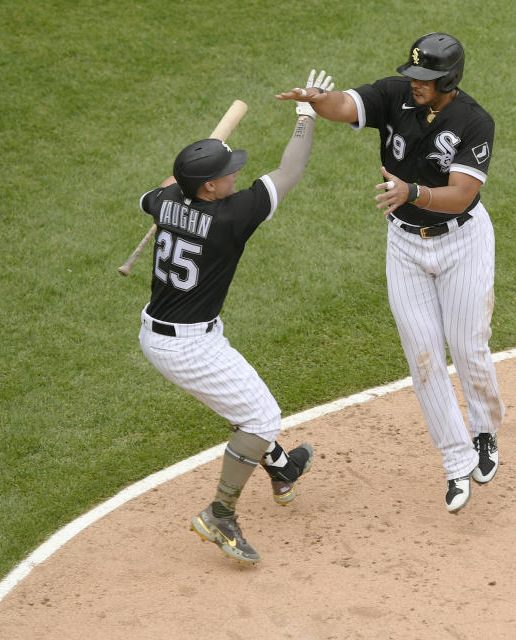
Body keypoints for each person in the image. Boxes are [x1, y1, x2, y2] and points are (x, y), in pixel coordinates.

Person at [276, 33, 504, 513]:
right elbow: (346, 104)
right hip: (404, 245)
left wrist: (413, 193)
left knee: (468, 346)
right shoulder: (394, 94)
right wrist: (318, 102)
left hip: (462, 240)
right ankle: (455, 461)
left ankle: (484, 432)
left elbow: (461, 194)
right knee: (423, 357)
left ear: (449, 79)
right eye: (413, 73)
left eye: (425, 78)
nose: (414, 83)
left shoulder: (475, 122)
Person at [136, 70, 334, 564]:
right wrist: (306, 114)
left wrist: (184, 177)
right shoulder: (230, 217)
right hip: (187, 345)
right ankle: (220, 514)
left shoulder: (165, 202)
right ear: (207, 187)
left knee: (243, 407)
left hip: (170, 331)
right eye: (227, 171)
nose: (236, 175)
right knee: (261, 416)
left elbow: (156, 191)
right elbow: (290, 171)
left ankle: (282, 468)